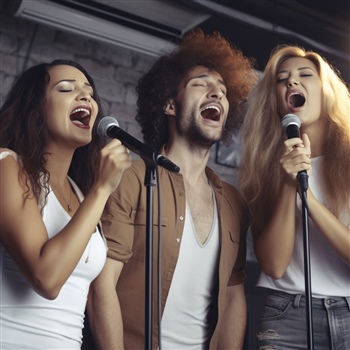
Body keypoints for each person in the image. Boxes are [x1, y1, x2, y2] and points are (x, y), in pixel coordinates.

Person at [86, 29, 257, 350]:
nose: (216, 93)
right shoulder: (130, 178)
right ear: (169, 104)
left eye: (222, 89)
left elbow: (234, 295)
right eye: (201, 84)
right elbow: (101, 284)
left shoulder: (234, 202)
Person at [0, 59, 131, 349]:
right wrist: (102, 189)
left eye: (89, 91)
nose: (86, 96)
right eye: (66, 89)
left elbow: (98, 295)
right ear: (36, 109)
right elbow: (46, 277)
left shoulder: (81, 193)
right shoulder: (7, 166)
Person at [239, 45, 350, 349]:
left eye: (305, 75)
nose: (291, 82)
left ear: (326, 91)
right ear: (276, 101)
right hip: (287, 316)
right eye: (282, 79)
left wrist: (309, 200)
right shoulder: (265, 169)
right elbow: (274, 265)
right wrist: (289, 185)